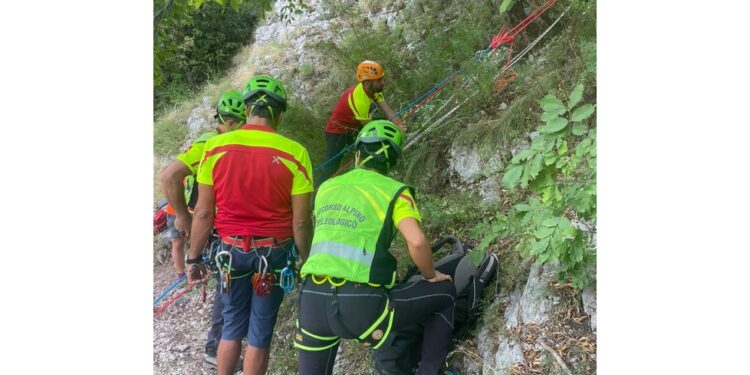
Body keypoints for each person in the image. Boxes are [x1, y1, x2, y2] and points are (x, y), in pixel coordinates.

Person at [295, 120, 456, 375]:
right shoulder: (395, 191)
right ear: (392, 162)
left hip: (312, 298)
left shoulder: (327, 187)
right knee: (445, 294)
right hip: (362, 304)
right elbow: (416, 241)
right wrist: (431, 275)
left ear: (358, 153)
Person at [186, 74, 314, 375]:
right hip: (273, 254)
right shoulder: (295, 153)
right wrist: (306, 258)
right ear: (279, 114)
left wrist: (193, 257)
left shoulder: (215, 148)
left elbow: (203, 213)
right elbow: (301, 221)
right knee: (259, 334)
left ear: (246, 111)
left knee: (231, 327)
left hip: (229, 252)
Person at [159, 90, 247, 370]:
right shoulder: (210, 143)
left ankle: (218, 345)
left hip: (217, 223)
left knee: (227, 283)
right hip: (209, 224)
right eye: (235, 123)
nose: (238, 128)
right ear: (226, 121)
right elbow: (170, 175)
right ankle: (215, 348)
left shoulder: (220, 143)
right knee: (227, 285)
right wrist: (182, 216)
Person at [315, 60, 407, 188]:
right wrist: (393, 131)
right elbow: (371, 129)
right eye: (379, 80)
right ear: (368, 83)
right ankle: (315, 199)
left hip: (353, 127)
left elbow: (387, 110)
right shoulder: (358, 99)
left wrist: (399, 124)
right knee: (332, 167)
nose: (383, 82)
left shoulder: (374, 91)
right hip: (337, 132)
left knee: (362, 155)